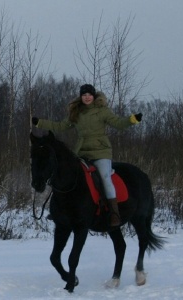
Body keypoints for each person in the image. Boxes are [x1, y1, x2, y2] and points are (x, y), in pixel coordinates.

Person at [32, 84, 142, 227]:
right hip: (82, 152)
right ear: (81, 97)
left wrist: (132, 119)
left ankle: (114, 213)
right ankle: (62, 210)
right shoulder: (76, 113)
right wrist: (40, 123)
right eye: (84, 95)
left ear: (94, 96)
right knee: (67, 175)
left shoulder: (102, 111)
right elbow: (60, 126)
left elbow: (119, 123)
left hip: (101, 152)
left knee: (105, 177)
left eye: (89, 95)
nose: (87, 97)